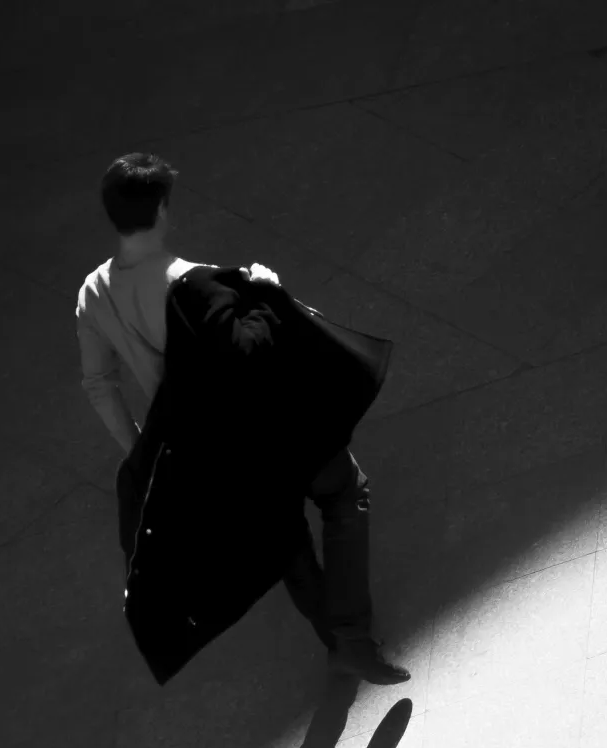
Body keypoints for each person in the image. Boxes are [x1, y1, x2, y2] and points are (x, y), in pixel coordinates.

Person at [76, 151, 409, 686]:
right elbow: (245, 352)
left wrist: (141, 451)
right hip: (270, 426)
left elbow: (99, 384)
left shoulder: (93, 294)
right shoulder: (194, 283)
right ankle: (352, 636)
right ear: (161, 209)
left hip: (205, 453)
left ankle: (337, 640)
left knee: (285, 541)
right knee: (346, 495)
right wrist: (267, 291)